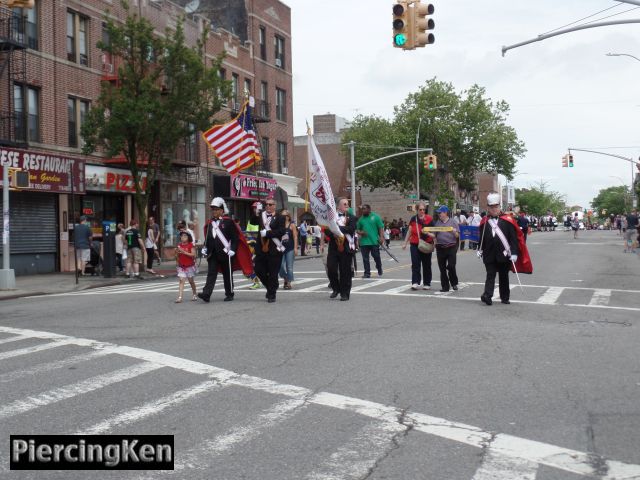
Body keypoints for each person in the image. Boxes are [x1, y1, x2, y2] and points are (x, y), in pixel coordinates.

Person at [478, 193, 521, 305]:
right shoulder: (484, 221)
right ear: (488, 208)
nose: (494, 209)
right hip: (489, 254)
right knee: (490, 275)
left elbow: (513, 239)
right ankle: (487, 295)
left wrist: (514, 253)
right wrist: (479, 249)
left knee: (503, 276)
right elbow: (481, 238)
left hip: (504, 253)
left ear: (499, 207)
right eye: (492, 207)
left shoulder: (508, 220)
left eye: (496, 207)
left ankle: (505, 297)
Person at [197, 197, 238, 303]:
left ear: (222, 210)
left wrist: (233, 249)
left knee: (227, 274)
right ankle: (206, 294)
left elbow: (235, 238)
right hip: (213, 253)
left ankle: (229, 293)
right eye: (213, 210)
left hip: (226, 252)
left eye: (216, 210)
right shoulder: (210, 223)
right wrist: (205, 249)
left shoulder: (229, 222)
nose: (214, 212)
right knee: (211, 273)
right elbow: (208, 238)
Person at [252, 198, 286, 303]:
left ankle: (272, 295)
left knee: (272, 273)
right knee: (258, 269)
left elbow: (281, 231)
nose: (268, 206)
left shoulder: (280, 217)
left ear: (275, 206)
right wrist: (255, 213)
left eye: (270, 204)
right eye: (266, 204)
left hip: (274, 249)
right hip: (261, 248)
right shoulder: (261, 215)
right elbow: (252, 222)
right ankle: (271, 287)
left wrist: (268, 234)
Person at [326, 198, 357, 301]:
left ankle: (345, 293)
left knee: (345, 271)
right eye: (344, 204)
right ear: (338, 206)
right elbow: (327, 230)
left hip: (346, 247)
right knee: (331, 268)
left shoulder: (351, 217)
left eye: (347, 204)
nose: (346, 205)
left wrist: (337, 229)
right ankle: (336, 288)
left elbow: (351, 229)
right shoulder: (331, 218)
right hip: (334, 247)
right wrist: (333, 232)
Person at [402, 202, 434, 290]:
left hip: (426, 244)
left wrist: (430, 235)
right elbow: (409, 231)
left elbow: (434, 232)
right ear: (417, 210)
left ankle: (427, 283)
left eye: (424, 209)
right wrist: (405, 243)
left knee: (426, 264)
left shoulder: (429, 219)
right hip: (415, 244)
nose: (422, 211)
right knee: (415, 264)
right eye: (420, 209)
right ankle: (415, 282)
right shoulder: (413, 219)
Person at [433, 205, 460, 292]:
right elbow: (434, 235)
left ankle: (454, 283)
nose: (439, 214)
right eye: (438, 213)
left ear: (445, 213)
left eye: (440, 213)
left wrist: (454, 232)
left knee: (451, 266)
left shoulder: (453, 222)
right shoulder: (438, 223)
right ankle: (445, 287)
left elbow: (457, 236)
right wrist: (427, 233)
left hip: (451, 246)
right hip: (440, 248)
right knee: (442, 268)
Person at [356, 204, 384, 278]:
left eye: (364, 209)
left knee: (376, 256)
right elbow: (357, 229)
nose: (363, 210)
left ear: (369, 209)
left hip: (374, 241)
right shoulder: (361, 219)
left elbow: (380, 227)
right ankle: (367, 273)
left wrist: (381, 237)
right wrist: (360, 232)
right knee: (365, 258)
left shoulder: (376, 217)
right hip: (364, 242)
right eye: (362, 209)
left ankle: (379, 267)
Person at [174, 231, 197, 303]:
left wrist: (184, 252)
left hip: (189, 266)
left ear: (188, 237)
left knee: (191, 281)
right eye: (182, 236)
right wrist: (176, 253)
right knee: (181, 280)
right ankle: (180, 297)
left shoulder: (190, 245)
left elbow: (193, 255)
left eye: (185, 236)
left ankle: (194, 294)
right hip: (182, 266)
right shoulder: (179, 246)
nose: (183, 237)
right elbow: (176, 257)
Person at [279, 209, 298, 289]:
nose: (284, 217)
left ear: (288, 216)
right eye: (282, 216)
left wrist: (295, 248)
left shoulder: (292, 225)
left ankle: (288, 283)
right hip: (280, 248)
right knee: (280, 266)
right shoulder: (279, 225)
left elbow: (295, 236)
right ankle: (285, 278)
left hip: (290, 248)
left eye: (285, 215)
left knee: (289, 267)